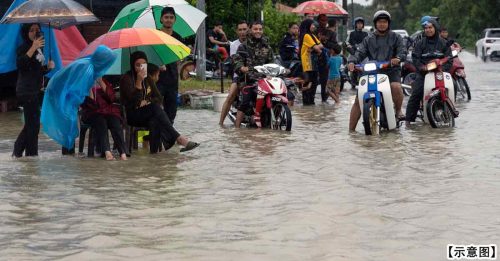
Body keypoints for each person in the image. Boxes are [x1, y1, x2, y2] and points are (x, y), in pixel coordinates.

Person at [120, 51, 199, 153]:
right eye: (137, 65)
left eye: (143, 65)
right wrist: (138, 82)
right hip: (132, 115)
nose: (140, 68)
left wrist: (147, 101)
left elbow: (158, 97)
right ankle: (178, 138)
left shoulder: (147, 78)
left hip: (146, 112)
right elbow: (132, 101)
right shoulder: (127, 78)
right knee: (154, 108)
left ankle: (154, 155)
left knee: (155, 120)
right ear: (132, 65)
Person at [347, 10, 406, 132]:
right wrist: (352, 62)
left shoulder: (396, 37)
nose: (382, 24)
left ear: (388, 23)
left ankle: (398, 110)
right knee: (359, 98)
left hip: (391, 69)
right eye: (379, 22)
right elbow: (359, 52)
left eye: (384, 22)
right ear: (375, 24)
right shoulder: (368, 39)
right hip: (373, 71)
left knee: (395, 86)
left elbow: (402, 50)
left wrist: (398, 58)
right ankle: (350, 132)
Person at [13, 23, 55, 158]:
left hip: (35, 90)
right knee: (33, 125)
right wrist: (33, 47)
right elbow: (21, 65)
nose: (35, 32)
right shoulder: (24, 48)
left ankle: (19, 152)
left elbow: (35, 71)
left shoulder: (39, 48)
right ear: (26, 33)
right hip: (26, 91)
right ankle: (30, 155)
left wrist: (48, 68)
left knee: (33, 124)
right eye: (31, 30)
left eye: (37, 30)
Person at [405, 19, 453, 124]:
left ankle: (451, 111)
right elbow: (415, 59)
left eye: (430, 27)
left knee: (451, 87)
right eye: (426, 28)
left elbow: (449, 59)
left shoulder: (444, 43)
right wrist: (422, 68)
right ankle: (409, 120)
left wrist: (443, 70)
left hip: (441, 73)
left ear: (435, 28)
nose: (428, 30)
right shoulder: (420, 43)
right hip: (424, 74)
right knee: (416, 93)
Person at [232, 21, 274, 128]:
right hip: (247, 79)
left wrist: (276, 71)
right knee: (245, 101)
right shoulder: (243, 46)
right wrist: (242, 67)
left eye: (260, 29)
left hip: (264, 79)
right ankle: (237, 129)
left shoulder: (267, 46)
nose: (258, 31)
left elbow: (272, 63)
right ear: (250, 30)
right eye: (255, 29)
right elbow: (236, 61)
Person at [82, 78, 127, 160]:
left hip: (108, 111)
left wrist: (100, 81)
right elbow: (91, 105)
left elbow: (111, 98)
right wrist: (89, 88)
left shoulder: (105, 82)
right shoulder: (83, 83)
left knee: (115, 121)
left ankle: (123, 152)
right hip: (92, 113)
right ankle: (107, 151)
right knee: (101, 121)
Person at [219, 20, 248, 126]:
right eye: (240, 30)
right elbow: (235, 62)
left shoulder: (254, 42)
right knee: (231, 95)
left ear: (248, 29)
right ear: (237, 31)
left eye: (244, 29)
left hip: (254, 74)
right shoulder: (234, 45)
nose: (242, 32)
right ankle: (221, 123)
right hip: (239, 75)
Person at [157, 7, 183, 124]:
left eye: (171, 17)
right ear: (161, 19)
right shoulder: (155, 35)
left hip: (172, 80)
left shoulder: (178, 38)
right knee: (154, 109)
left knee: (171, 112)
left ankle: (167, 139)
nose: (169, 20)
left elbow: (180, 59)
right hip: (156, 79)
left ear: (175, 20)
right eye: (166, 17)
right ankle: (154, 137)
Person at [299, 19, 324, 105]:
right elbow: (318, 48)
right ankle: (306, 105)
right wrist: (316, 48)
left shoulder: (312, 36)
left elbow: (321, 46)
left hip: (313, 64)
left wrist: (316, 48)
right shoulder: (306, 36)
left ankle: (310, 106)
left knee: (314, 84)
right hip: (307, 64)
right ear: (307, 26)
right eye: (312, 25)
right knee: (307, 85)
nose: (314, 26)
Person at [317, 14, 338, 102]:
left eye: (325, 20)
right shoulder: (314, 31)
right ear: (318, 20)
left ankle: (324, 101)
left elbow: (335, 46)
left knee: (324, 81)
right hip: (314, 59)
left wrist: (324, 41)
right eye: (322, 20)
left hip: (325, 60)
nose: (324, 22)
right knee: (312, 82)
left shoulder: (331, 33)